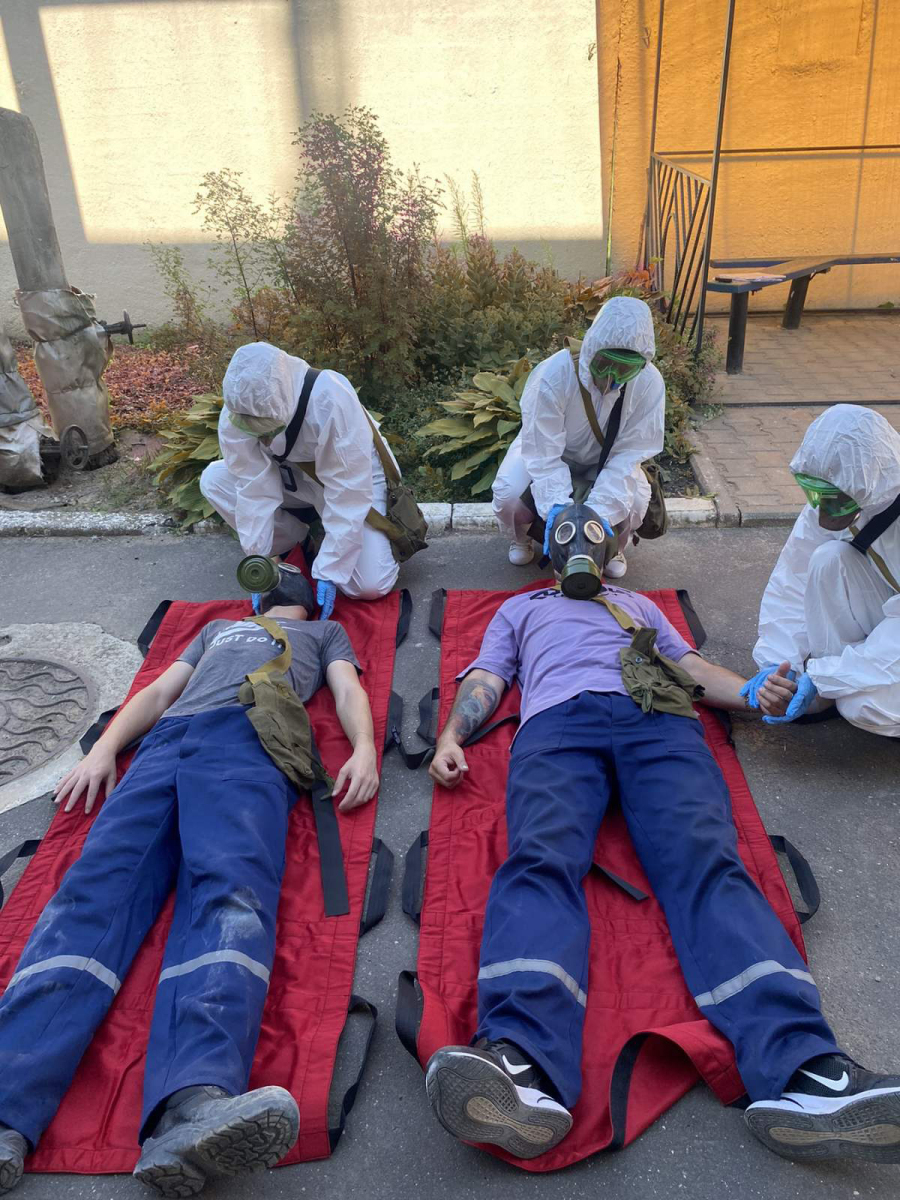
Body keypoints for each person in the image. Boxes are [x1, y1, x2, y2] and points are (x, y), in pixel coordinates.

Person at [424, 504, 900, 1165]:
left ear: (612, 546)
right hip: (557, 726)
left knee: (707, 860)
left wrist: (755, 693)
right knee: (540, 859)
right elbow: (487, 676)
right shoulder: (520, 609)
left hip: (659, 720)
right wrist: (451, 735)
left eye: (592, 531)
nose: (579, 539)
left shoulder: (638, 606)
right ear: (548, 550)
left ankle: (806, 1071)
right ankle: (522, 1062)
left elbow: (692, 669)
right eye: (565, 532)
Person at [0, 568, 379, 1197]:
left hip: (253, 740)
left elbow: (348, 689)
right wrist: (104, 749)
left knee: (231, 895)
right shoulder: (217, 629)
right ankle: (6, 1103)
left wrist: (363, 747)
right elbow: (158, 694)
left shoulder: (325, 632)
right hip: (166, 744)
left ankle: (192, 1103)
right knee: (91, 896)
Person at [200, 342, 400, 619]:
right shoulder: (239, 410)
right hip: (294, 476)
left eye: (266, 426)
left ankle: (327, 547)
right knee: (214, 480)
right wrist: (259, 555)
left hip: (356, 476)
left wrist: (329, 570)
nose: (262, 437)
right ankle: (296, 542)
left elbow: (347, 492)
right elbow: (252, 485)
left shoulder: (329, 399)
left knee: (369, 586)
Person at [746, 404, 900, 736]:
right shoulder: (842, 491)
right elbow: (794, 576)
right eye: (814, 492)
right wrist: (779, 661)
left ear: (869, 481)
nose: (823, 508)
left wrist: (824, 676)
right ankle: (832, 687)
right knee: (828, 558)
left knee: (863, 707)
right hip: (890, 610)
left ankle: (836, 687)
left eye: (833, 497)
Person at [491, 296, 665, 577]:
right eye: (605, 363)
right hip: (549, 451)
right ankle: (521, 538)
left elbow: (630, 453)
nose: (612, 376)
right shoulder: (554, 373)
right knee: (509, 494)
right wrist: (561, 513)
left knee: (636, 501)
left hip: (606, 460)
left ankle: (613, 547)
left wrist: (596, 517)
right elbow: (543, 452)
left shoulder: (649, 383)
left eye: (625, 368)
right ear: (591, 350)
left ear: (641, 365)